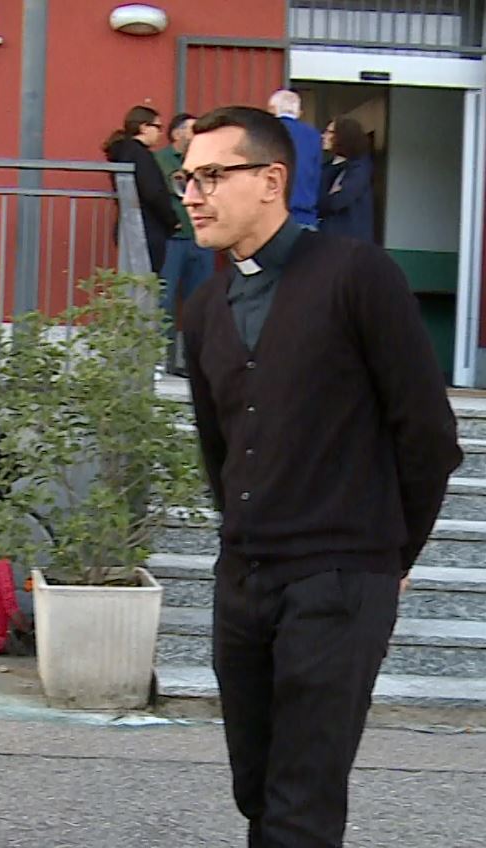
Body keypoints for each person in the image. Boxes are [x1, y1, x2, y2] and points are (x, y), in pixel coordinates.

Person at [175, 105, 461, 847]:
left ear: (271, 180)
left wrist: (395, 556)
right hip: (244, 580)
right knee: (257, 788)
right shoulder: (204, 308)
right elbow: (219, 446)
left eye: (211, 175)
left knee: (302, 803)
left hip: (338, 578)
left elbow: (427, 433)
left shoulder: (357, 275)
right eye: (185, 177)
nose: (192, 193)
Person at [154, 112, 215, 371]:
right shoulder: (162, 160)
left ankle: (194, 364)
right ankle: (160, 361)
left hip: (202, 238)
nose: (197, 134)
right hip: (173, 238)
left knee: (199, 303)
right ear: (177, 133)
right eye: (192, 129)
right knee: (164, 302)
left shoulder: (205, 160)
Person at [104, 104, 180, 274]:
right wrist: (172, 220)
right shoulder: (140, 154)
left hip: (131, 224)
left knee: (133, 279)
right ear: (144, 127)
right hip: (147, 227)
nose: (160, 133)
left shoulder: (123, 151)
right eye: (158, 127)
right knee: (146, 283)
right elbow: (153, 192)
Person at [268, 89, 322, 228]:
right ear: (297, 111)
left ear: (273, 109)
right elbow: (316, 177)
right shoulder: (313, 135)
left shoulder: (266, 131)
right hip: (305, 215)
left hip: (270, 214)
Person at [318, 116, 376, 243]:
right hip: (326, 239)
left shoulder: (359, 167)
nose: (323, 136)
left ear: (344, 136)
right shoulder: (326, 167)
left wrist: (325, 201)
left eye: (330, 132)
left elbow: (339, 200)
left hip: (349, 242)